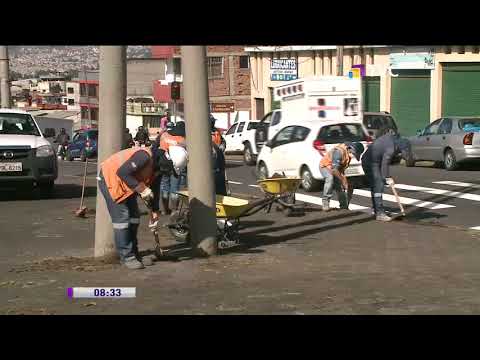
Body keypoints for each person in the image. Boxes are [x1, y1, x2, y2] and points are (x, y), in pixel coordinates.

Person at [97, 144, 172, 269]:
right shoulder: (144, 156)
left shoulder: (157, 166)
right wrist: (142, 189)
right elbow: (122, 172)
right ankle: (127, 257)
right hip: (111, 179)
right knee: (122, 219)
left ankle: (134, 254)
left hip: (128, 183)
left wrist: (154, 210)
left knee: (134, 218)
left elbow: (155, 188)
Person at [361, 133, 412, 222]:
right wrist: (387, 178)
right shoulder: (391, 148)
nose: (400, 153)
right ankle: (380, 213)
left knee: (376, 186)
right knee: (378, 184)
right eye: (401, 151)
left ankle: (377, 210)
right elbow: (385, 164)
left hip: (373, 161)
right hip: (370, 162)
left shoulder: (393, 140)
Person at [319, 142, 365, 211]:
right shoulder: (339, 152)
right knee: (330, 179)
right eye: (354, 154)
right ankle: (325, 202)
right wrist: (343, 180)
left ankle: (344, 206)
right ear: (351, 149)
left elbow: (340, 169)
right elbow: (334, 170)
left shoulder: (348, 155)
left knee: (341, 186)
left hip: (336, 169)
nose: (353, 156)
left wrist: (345, 182)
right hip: (325, 166)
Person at [159, 121, 187, 214]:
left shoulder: (164, 135)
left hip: (164, 164)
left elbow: (159, 148)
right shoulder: (183, 138)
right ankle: (174, 210)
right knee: (175, 188)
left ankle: (165, 209)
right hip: (176, 166)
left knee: (164, 186)